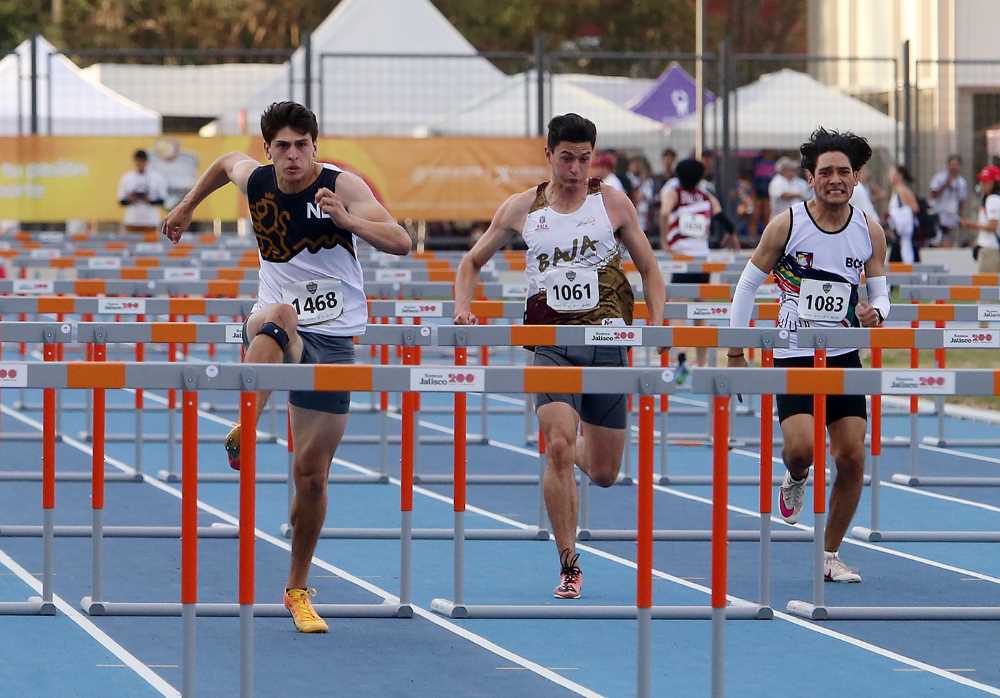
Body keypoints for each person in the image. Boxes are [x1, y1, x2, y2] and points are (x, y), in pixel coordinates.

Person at [161, 101, 411, 633]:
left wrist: (347, 221)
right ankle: (246, 425)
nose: (293, 156)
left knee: (311, 477)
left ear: (314, 147)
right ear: (269, 150)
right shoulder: (256, 182)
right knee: (278, 316)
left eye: (302, 146)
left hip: (335, 338)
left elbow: (402, 242)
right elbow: (225, 161)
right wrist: (185, 208)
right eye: (282, 147)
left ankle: (297, 588)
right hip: (275, 329)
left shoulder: (343, 187)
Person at [452, 113, 666, 599]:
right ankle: (569, 561)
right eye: (566, 158)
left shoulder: (611, 202)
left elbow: (650, 268)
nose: (574, 168)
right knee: (556, 447)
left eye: (584, 159)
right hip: (551, 344)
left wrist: (657, 323)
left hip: (608, 343)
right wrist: (463, 308)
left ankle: (576, 451)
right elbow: (471, 262)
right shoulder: (522, 208)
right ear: (548, 155)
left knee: (607, 474)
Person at [727, 127, 890, 584]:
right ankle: (796, 475)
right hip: (795, 354)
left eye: (843, 171)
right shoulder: (787, 224)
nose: (835, 179)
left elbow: (881, 293)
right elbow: (746, 286)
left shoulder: (868, 230)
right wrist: (736, 350)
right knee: (802, 450)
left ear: (856, 177)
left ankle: (830, 554)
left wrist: (875, 312)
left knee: (853, 457)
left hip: (842, 356)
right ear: (810, 178)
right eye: (826, 172)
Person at [659, 158, 738, 367]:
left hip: (682, 258)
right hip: (703, 259)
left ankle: (682, 355)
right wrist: (731, 236)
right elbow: (722, 217)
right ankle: (701, 362)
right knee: (700, 310)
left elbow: (664, 212)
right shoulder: (705, 195)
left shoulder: (673, 192)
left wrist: (665, 240)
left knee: (677, 307)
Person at [117, 149, 168, 233]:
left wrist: (149, 200)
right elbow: (121, 201)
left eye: (142, 161)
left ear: (147, 161)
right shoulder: (127, 178)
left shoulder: (157, 178)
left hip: (151, 221)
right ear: (134, 161)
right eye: (138, 161)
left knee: (151, 245)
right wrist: (131, 199)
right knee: (130, 245)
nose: (140, 163)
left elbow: (163, 200)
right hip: (132, 220)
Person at [961, 164, 1000, 272]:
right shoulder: (993, 198)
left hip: (990, 251)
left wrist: (970, 224)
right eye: (981, 181)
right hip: (991, 249)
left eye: (985, 181)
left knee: (986, 287)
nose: (982, 184)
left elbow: (992, 226)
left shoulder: (992, 199)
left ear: (994, 183)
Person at [928, 154, 968, 247]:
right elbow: (933, 195)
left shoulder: (962, 182)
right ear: (948, 165)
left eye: (956, 165)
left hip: (952, 217)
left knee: (949, 242)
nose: (954, 167)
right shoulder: (939, 177)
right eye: (952, 164)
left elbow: (962, 201)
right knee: (936, 241)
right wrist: (945, 185)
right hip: (939, 215)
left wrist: (960, 216)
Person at [887, 165, 919, 264]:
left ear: (899, 175)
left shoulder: (902, 190)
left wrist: (902, 219)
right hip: (898, 235)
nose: (890, 177)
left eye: (893, 174)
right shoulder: (897, 190)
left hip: (903, 235)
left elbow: (914, 208)